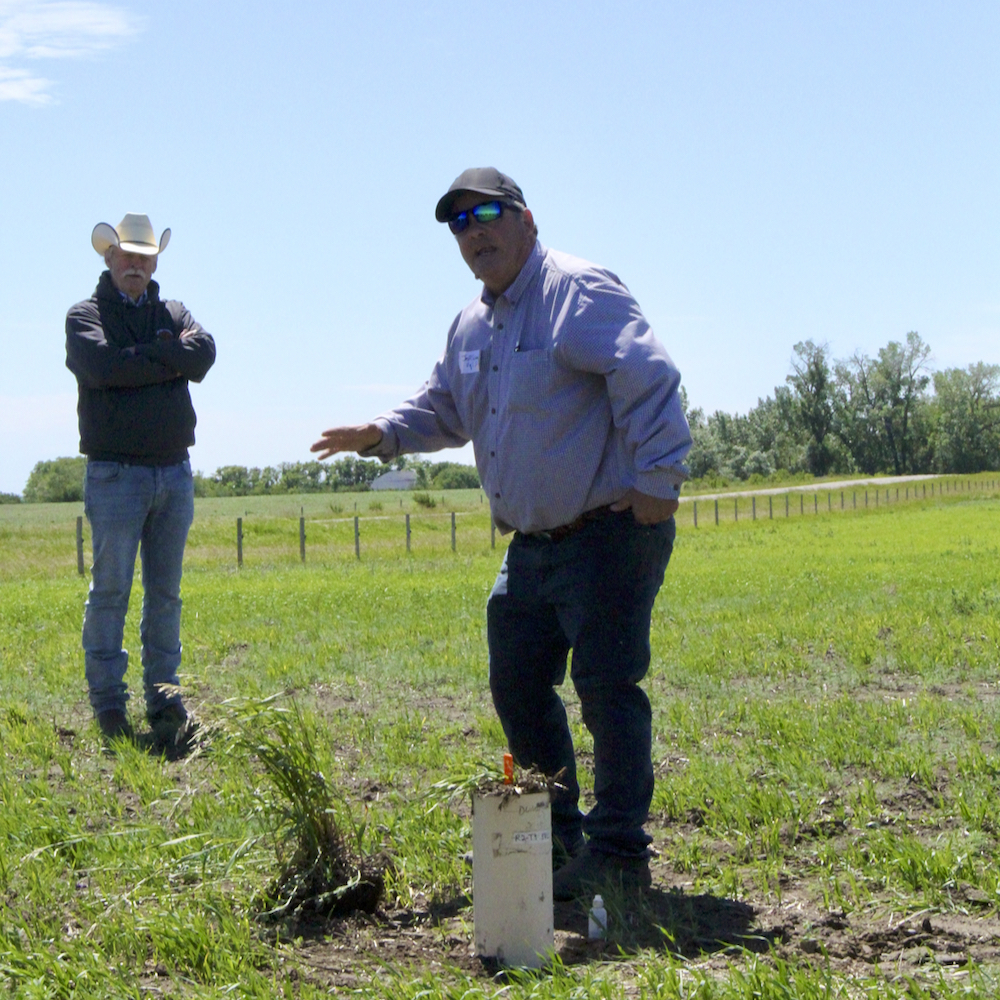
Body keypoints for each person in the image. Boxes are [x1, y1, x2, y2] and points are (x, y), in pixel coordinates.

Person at [311, 169, 691, 899]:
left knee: (607, 686)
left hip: (609, 531)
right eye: (459, 222)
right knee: (516, 682)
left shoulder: (576, 291)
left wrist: (658, 480)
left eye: (488, 213)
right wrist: (383, 431)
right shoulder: (470, 325)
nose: (474, 230)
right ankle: (553, 836)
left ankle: (619, 853)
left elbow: (648, 373)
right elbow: (446, 407)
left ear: (526, 218)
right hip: (531, 547)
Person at [66, 213, 216, 747]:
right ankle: (109, 705)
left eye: (144, 256)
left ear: (155, 261)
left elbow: (205, 353)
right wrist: (167, 359)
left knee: (166, 595)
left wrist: (144, 357)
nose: (135, 264)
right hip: (115, 474)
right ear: (109, 259)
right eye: (126, 255)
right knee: (110, 591)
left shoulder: (173, 310)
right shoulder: (85, 314)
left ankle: (165, 699)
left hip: (173, 471)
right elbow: (102, 368)